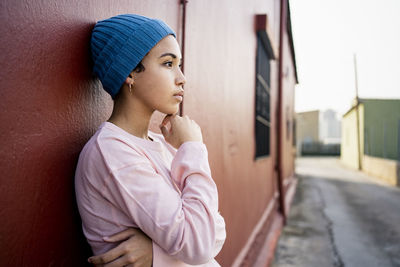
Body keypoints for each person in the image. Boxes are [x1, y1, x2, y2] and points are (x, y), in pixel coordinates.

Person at [75, 14, 226, 267]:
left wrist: (157, 254)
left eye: (179, 65)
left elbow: (215, 230)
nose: (182, 78)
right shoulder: (112, 152)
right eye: (168, 64)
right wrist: (193, 147)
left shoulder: (159, 143)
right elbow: (200, 244)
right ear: (130, 72)